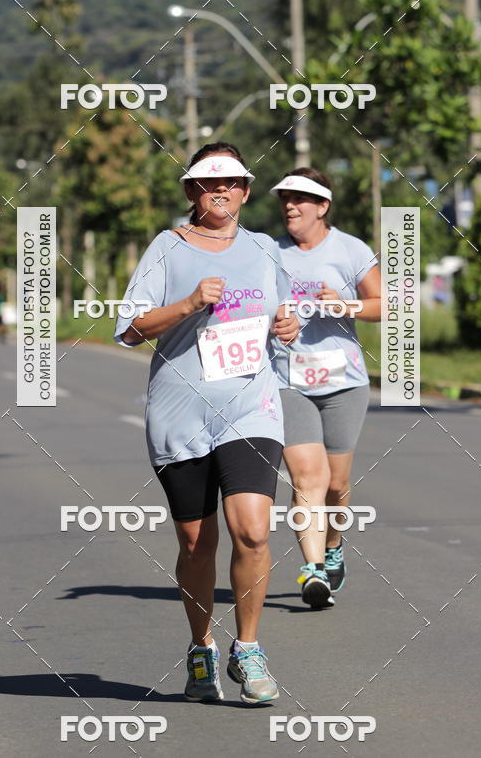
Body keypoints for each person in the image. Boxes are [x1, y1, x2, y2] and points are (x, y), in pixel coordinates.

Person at [114, 142, 299, 704]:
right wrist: (190, 302)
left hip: (251, 405)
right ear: (192, 191)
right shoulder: (167, 248)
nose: (222, 192)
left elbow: (283, 316)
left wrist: (286, 330)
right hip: (181, 408)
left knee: (253, 529)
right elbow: (128, 328)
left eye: (233, 183)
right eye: (208, 184)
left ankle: (248, 647)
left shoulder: (266, 249)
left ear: (245, 190)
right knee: (197, 541)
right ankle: (201, 648)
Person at [270, 168, 381, 608]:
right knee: (306, 477)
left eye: (300, 199)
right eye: (285, 199)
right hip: (287, 380)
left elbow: (383, 305)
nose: (290, 206)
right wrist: (277, 322)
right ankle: (312, 569)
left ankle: (334, 544)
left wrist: (345, 304)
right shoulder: (269, 252)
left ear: (323, 206)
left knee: (336, 484)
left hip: (342, 382)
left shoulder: (350, 249)